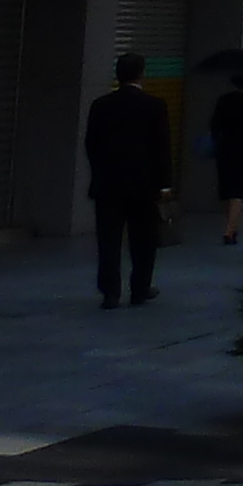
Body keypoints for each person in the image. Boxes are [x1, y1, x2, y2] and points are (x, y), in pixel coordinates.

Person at [84, 55, 173, 308]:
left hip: (108, 185)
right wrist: (165, 183)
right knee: (144, 240)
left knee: (108, 240)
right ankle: (140, 288)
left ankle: (110, 292)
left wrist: (100, 172)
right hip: (144, 186)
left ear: (117, 75)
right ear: (141, 74)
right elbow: (162, 147)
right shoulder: (155, 105)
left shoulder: (100, 105)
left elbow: (91, 144)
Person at [206, 65, 243, 246]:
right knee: (239, 190)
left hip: (225, 147)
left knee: (229, 188)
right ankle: (230, 230)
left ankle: (231, 226)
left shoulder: (224, 100)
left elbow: (214, 125)